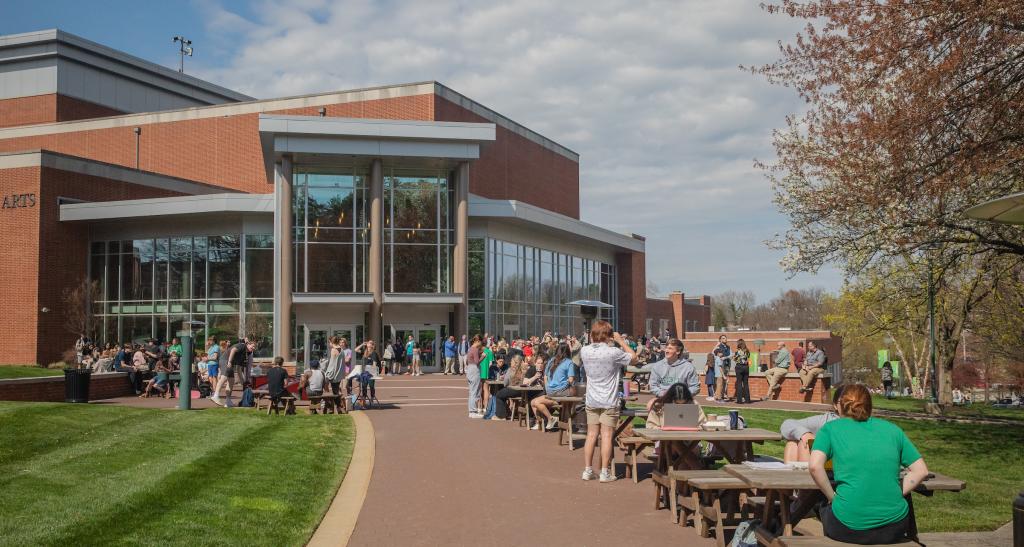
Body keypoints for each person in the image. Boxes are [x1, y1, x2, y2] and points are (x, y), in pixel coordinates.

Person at [810, 384, 929, 544]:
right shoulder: (893, 430)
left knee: (820, 503)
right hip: (895, 527)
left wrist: (833, 497)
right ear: (870, 405)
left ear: (841, 405)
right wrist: (897, 491)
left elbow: (814, 466)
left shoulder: (830, 429)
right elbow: (921, 471)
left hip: (847, 527)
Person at [579, 321, 636, 483]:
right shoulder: (613, 352)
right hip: (609, 399)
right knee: (606, 436)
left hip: (592, 398)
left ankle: (587, 470)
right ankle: (604, 472)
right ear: (609, 335)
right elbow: (634, 359)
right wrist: (621, 341)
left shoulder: (585, 351)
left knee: (591, 435)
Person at [781, 384, 845, 463]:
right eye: (842, 401)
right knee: (793, 443)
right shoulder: (826, 420)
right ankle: (792, 474)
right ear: (835, 405)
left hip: (841, 469)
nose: (847, 405)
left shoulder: (863, 423)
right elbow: (787, 424)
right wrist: (804, 434)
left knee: (803, 444)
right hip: (824, 466)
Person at [645, 338, 699, 411]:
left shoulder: (688, 367)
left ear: (678, 351)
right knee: (651, 404)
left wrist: (682, 395)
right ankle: (655, 422)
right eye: (666, 348)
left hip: (682, 400)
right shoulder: (657, 366)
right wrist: (664, 394)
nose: (666, 351)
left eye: (670, 348)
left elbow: (695, 387)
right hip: (663, 398)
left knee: (695, 404)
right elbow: (653, 386)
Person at [531, 345, 576, 430]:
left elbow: (545, 377)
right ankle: (566, 417)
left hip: (551, 391)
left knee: (534, 402)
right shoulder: (569, 362)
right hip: (561, 392)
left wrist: (548, 388)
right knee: (573, 391)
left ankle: (546, 420)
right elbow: (571, 379)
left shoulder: (551, 361)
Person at [466, 335, 484, 418]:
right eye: (481, 342)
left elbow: (469, 360)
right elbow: (477, 362)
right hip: (474, 370)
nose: (481, 344)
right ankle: (473, 411)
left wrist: (479, 353)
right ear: (478, 341)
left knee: (471, 391)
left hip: (469, 369)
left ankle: (472, 410)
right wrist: (483, 356)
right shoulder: (475, 349)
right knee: (475, 391)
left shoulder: (470, 349)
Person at [732, 339, 752, 404]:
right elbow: (748, 358)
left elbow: (734, 359)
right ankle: (748, 400)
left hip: (739, 367)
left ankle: (739, 400)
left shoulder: (738, 351)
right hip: (746, 367)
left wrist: (734, 358)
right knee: (746, 384)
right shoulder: (747, 351)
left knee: (739, 383)